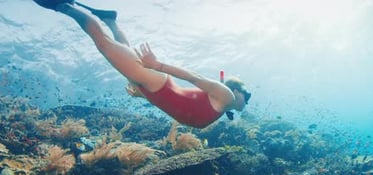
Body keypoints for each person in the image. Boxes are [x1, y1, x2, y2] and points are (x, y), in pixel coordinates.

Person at [33, 0, 252, 128]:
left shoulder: (224, 108)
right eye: (247, 95)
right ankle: (62, 5)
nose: (247, 101)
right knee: (104, 44)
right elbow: (195, 78)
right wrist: (158, 65)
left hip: (153, 90)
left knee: (121, 48)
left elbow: (177, 108)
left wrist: (144, 95)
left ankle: (110, 20)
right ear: (236, 91)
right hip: (157, 81)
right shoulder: (226, 97)